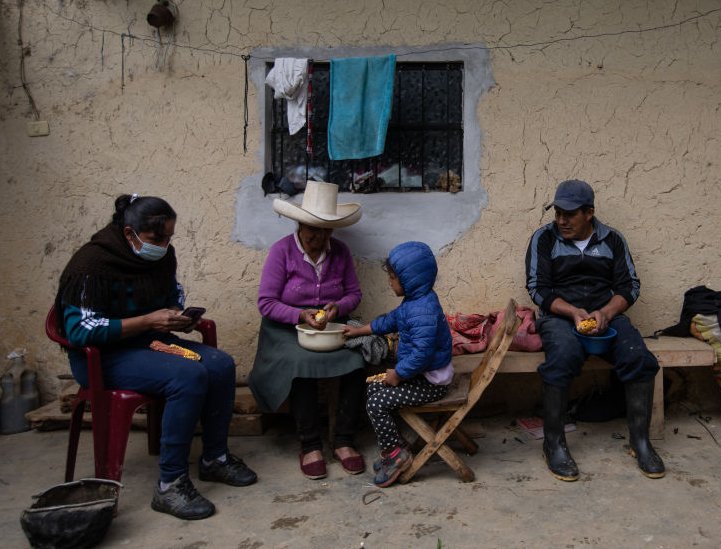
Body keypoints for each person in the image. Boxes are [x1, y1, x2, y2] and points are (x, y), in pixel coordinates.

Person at [55, 194, 257, 521]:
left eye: (168, 238)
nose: (163, 245)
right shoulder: (91, 264)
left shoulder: (162, 257)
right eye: (155, 239)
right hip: (103, 356)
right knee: (187, 376)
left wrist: (178, 316)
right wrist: (147, 321)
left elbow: (171, 296)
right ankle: (170, 483)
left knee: (220, 365)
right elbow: (81, 330)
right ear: (128, 233)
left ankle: (215, 458)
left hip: (149, 343)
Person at [524, 179, 665, 481]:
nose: (561, 220)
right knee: (562, 356)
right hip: (560, 316)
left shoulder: (613, 240)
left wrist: (606, 312)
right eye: (558, 213)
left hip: (606, 316)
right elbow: (538, 289)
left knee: (638, 358)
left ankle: (640, 442)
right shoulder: (544, 239)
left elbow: (629, 287)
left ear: (589, 213)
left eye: (569, 214)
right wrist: (573, 311)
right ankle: (554, 445)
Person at [248, 181, 367, 479]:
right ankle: (310, 444)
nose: (320, 237)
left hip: (328, 327)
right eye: (313, 230)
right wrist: (299, 314)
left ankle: (343, 439)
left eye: (326, 230)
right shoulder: (282, 252)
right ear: (299, 225)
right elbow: (266, 303)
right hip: (285, 330)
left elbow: (354, 293)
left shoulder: (340, 252)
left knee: (358, 360)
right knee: (301, 363)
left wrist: (338, 307)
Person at [343, 241, 454, 488]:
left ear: (410, 279)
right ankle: (396, 447)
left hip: (431, 382)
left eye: (393, 278)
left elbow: (422, 354)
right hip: (420, 374)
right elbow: (391, 321)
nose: (389, 282)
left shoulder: (422, 311)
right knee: (372, 389)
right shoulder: (415, 302)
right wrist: (360, 330)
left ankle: (396, 453)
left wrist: (400, 374)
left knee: (376, 402)